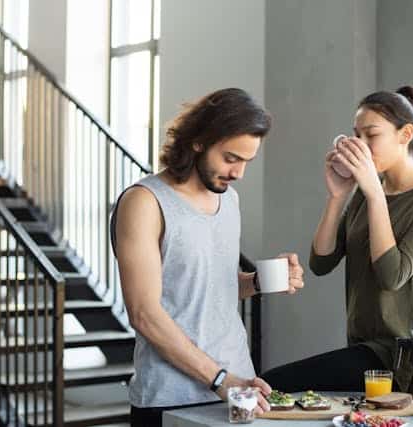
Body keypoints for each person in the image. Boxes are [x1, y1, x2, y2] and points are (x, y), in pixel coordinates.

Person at [110, 88, 305, 427]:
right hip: (170, 396)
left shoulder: (229, 201)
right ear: (199, 141)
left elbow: (211, 288)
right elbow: (144, 313)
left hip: (240, 390)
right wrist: (219, 380)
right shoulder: (144, 202)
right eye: (231, 158)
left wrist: (259, 282)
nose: (239, 173)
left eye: (246, 161)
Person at [262, 86, 413, 394]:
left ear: (405, 134)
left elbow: (392, 274)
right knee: (275, 391)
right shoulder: (367, 192)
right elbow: (321, 262)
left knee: (271, 385)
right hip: (362, 349)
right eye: (357, 135)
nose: (361, 145)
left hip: (401, 358)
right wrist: (338, 196)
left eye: (371, 135)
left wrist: (374, 193)